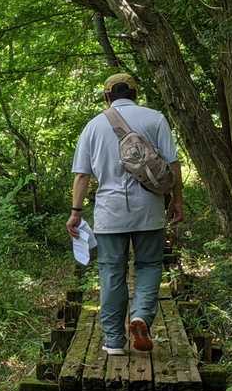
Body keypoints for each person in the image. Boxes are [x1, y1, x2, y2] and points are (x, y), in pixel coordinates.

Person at [65, 73, 183, 355]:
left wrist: (75, 212)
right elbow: (174, 165)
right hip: (150, 209)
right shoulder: (155, 119)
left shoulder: (93, 126)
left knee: (111, 272)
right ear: (135, 93)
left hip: (110, 213)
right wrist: (177, 201)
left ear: (107, 96)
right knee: (149, 265)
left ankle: (114, 341)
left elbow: (82, 176)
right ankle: (141, 315)